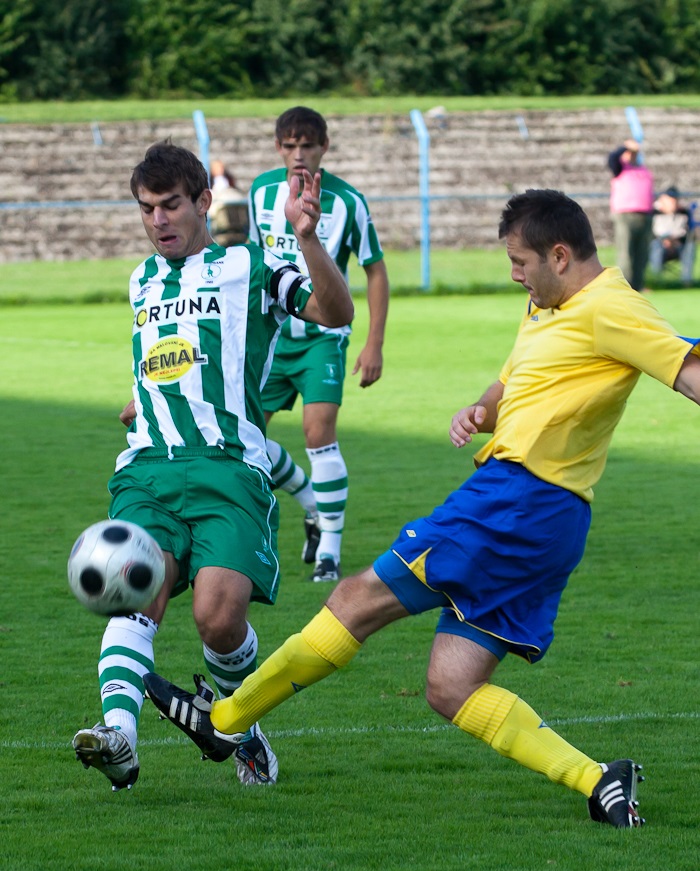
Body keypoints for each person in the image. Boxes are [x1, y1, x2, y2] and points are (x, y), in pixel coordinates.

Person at [146, 188, 700, 828]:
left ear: (559, 254)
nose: (514, 275)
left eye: (520, 262)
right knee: (451, 687)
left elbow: (687, 373)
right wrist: (483, 411)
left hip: (515, 502)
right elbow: (514, 379)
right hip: (550, 520)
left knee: (355, 599)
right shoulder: (550, 303)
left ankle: (224, 721)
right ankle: (599, 780)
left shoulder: (611, 307)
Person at [71, 140, 353, 792]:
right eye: (147, 208)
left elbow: (335, 312)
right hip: (148, 469)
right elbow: (169, 357)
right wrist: (140, 400)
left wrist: (308, 240)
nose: (158, 220)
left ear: (203, 201)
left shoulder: (253, 264)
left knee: (219, 620)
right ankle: (119, 736)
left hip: (229, 469)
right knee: (133, 594)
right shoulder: (142, 280)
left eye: (170, 205)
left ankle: (241, 728)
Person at [248, 106, 390, 583]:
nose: (298, 155)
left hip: (323, 337)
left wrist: (374, 343)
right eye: (289, 146)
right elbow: (252, 262)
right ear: (277, 148)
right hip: (270, 338)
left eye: (307, 145)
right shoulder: (260, 192)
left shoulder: (348, 202)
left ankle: (329, 551)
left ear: (324, 147)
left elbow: (375, 270)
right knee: (244, 437)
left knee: (317, 433)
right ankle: (310, 501)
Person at [607, 138, 654, 291]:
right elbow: (612, 158)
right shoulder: (620, 167)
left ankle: (638, 285)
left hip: (644, 214)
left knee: (642, 254)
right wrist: (625, 147)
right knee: (626, 253)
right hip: (625, 215)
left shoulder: (643, 169)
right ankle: (625, 286)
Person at [649, 185, 696, 287]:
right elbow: (649, 234)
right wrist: (664, 240)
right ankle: (656, 282)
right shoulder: (653, 212)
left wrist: (677, 241)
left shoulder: (684, 212)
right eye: (670, 199)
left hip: (678, 245)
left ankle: (686, 282)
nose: (673, 202)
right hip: (660, 245)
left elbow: (688, 233)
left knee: (690, 246)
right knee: (655, 246)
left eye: (675, 199)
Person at [207, 159, 249, 247]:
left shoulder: (229, 178)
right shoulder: (209, 180)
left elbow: (234, 188)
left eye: (221, 167)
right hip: (218, 200)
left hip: (229, 199)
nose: (220, 169)